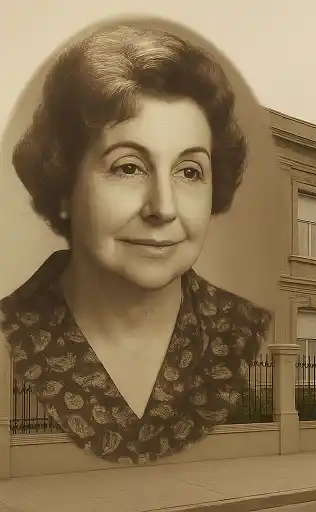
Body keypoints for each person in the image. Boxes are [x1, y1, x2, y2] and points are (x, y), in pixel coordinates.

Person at [0, 24, 272, 465]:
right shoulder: (13, 333)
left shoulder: (242, 331)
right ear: (65, 185)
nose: (163, 208)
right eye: (128, 167)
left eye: (189, 172)